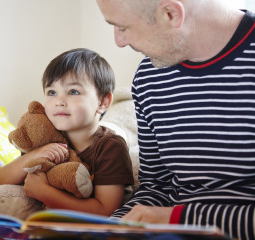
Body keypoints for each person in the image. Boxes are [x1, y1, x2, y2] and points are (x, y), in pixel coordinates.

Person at [96, 0, 255, 239]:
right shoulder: (150, 78)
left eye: (123, 27)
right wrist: (110, 228)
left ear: (171, 13)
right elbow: (156, 186)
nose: (119, 41)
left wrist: (178, 219)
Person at [0, 48, 134, 216]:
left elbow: (105, 210)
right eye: (52, 92)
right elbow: (0, 181)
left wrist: (44, 192)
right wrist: (34, 155)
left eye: (73, 92)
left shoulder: (110, 146)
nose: (59, 101)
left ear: (103, 102)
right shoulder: (47, 136)